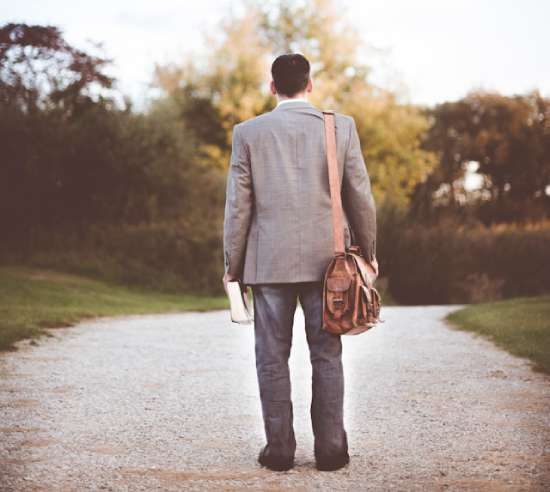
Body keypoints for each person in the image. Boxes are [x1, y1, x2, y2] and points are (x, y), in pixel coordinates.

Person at [222, 53, 378, 472]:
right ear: (310, 85)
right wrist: (368, 252)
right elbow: (359, 196)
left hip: (267, 264)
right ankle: (330, 451)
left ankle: (279, 452)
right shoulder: (340, 127)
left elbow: (239, 208)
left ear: (272, 87)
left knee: (271, 358)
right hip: (330, 267)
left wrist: (232, 267)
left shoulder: (248, 133)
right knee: (326, 356)